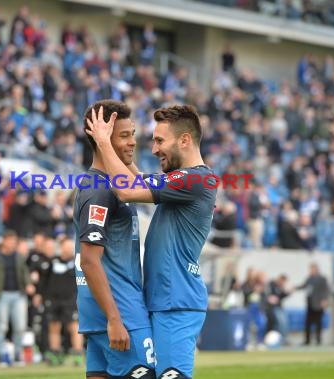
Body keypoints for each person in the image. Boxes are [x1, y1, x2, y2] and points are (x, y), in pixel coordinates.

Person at [86, 104, 217, 378]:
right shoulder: (179, 181)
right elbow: (135, 179)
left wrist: (103, 142)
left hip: (177, 301)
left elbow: (126, 189)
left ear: (184, 140)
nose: (154, 149)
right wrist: (116, 147)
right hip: (164, 299)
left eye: (159, 141)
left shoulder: (197, 179)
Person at [74, 99, 155, 379]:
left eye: (132, 134)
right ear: (102, 139)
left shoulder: (116, 184)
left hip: (101, 314)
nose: (132, 142)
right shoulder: (100, 190)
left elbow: (144, 187)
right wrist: (114, 318)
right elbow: (88, 260)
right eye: (124, 135)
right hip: (121, 312)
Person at [0, 230, 35, 366]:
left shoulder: (19, 257)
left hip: (18, 294)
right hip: (1, 294)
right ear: (4, 241)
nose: (12, 244)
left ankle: (17, 355)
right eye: (10, 241)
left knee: (20, 326)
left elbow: (25, 272)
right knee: (1, 327)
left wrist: (28, 284)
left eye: (14, 241)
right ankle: (0, 356)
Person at [44, 237, 83, 366]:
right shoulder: (52, 262)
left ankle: (78, 354)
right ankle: (55, 354)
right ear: (61, 247)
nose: (69, 249)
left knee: (74, 327)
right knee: (54, 327)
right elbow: (45, 281)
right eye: (66, 246)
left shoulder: (76, 263)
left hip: (70, 300)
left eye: (70, 246)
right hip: (54, 300)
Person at [295, 263, 330, 346]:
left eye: (312, 269)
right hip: (310, 304)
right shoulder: (309, 278)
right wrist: (295, 288)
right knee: (307, 323)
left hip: (318, 304)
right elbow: (304, 285)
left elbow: (326, 290)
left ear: (316, 269)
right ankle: (307, 340)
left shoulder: (322, 279)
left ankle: (318, 340)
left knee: (318, 323)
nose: (311, 271)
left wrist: (325, 300)